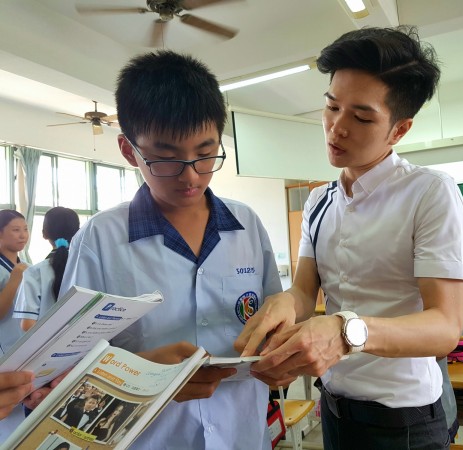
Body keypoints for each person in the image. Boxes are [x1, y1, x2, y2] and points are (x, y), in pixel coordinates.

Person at [236, 26, 463, 449]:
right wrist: (283, 304)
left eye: (361, 117)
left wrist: (347, 331)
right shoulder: (319, 201)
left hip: (404, 421)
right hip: (337, 408)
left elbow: (445, 327)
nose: (336, 128)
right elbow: (306, 292)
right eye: (331, 107)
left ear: (399, 131)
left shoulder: (430, 193)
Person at [58, 50, 282, 449]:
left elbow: (271, 319)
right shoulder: (100, 239)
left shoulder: (246, 223)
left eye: (205, 152)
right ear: (130, 151)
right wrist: (145, 376)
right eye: (166, 158)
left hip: (242, 432)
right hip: (150, 436)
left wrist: (281, 355)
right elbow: (64, 370)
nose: (192, 175)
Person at [13, 206, 80, 331]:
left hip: (47, 347)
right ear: (78, 232)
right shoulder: (86, 267)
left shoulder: (34, 272)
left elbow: (28, 325)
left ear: (44, 233)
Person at [0, 209, 29, 440]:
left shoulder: (26, 264)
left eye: (25, 229)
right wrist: (15, 279)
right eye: (16, 230)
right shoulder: (14, 271)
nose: (23, 235)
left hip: (22, 345)